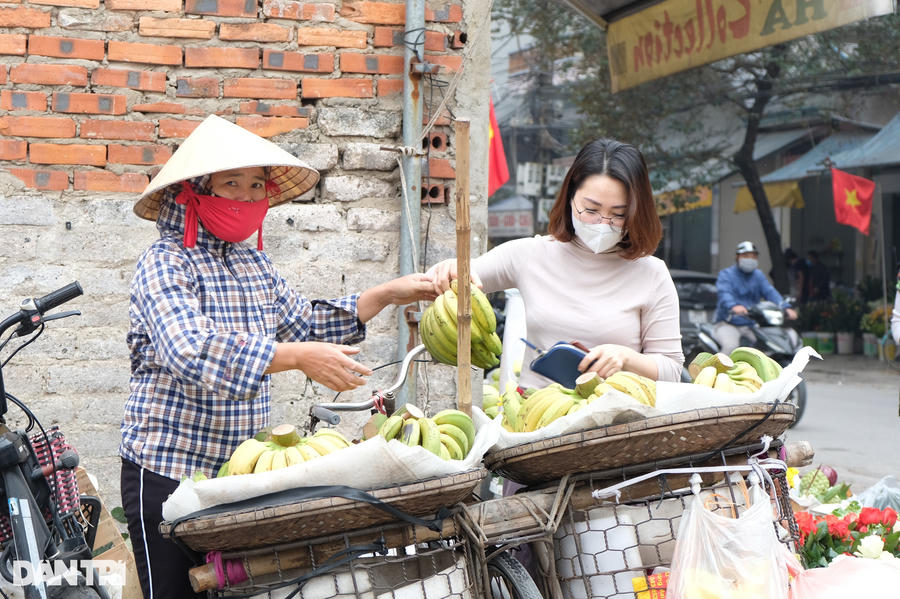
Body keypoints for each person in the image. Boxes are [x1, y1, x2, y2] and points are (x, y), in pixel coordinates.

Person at [119, 115, 436, 598]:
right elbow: (189, 349)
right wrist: (295, 357)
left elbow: (305, 326)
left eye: (255, 186)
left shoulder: (256, 264)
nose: (247, 198)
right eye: (231, 184)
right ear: (193, 192)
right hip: (168, 468)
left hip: (241, 474)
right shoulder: (164, 262)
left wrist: (389, 293)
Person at [429, 138, 684, 386]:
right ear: (571, 195)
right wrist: (450, 268)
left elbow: (672, 370)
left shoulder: (652, 274)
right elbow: (462, 275)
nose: (603, 223)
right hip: (534, 417)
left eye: (618, 215)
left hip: (616, 423)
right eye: (591, 210)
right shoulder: (530, 254)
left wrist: (625, 357)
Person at [714, 241, 798, 355]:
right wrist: (733, 306)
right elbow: (724, 294)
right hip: (728, 323)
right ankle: (717, 372)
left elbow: (770, 292)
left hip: (752, 325)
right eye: (746, 256)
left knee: (768, 346)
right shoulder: (726, 275)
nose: (750, 259)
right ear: (737, 257)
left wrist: (785, 307)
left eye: (753, 256)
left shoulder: (758, 275)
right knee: (731, 347)